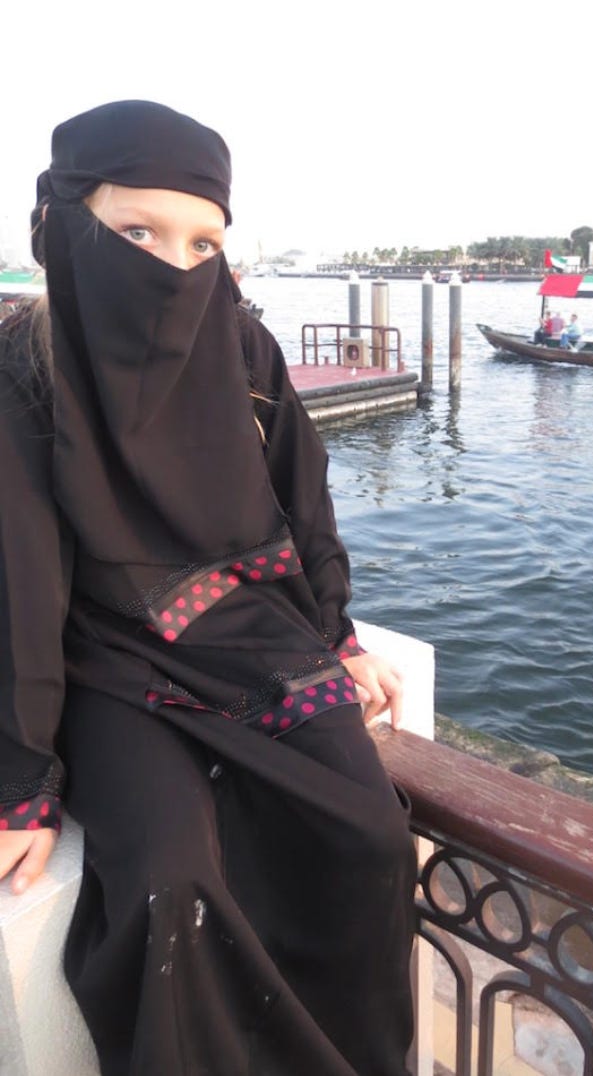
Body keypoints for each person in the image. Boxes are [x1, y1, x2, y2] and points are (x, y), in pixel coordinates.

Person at [0, 100, 417, 1076]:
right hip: (104, 658)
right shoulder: (24, 369)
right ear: (65, 224)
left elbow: (302, 501)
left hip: (251, 631)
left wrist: (339, 633)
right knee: (165, 881)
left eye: (202, 243)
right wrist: (23, 778)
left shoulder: (242, 349)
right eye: (136, 232)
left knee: (366, 835)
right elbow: (19, 575)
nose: (172, 266)